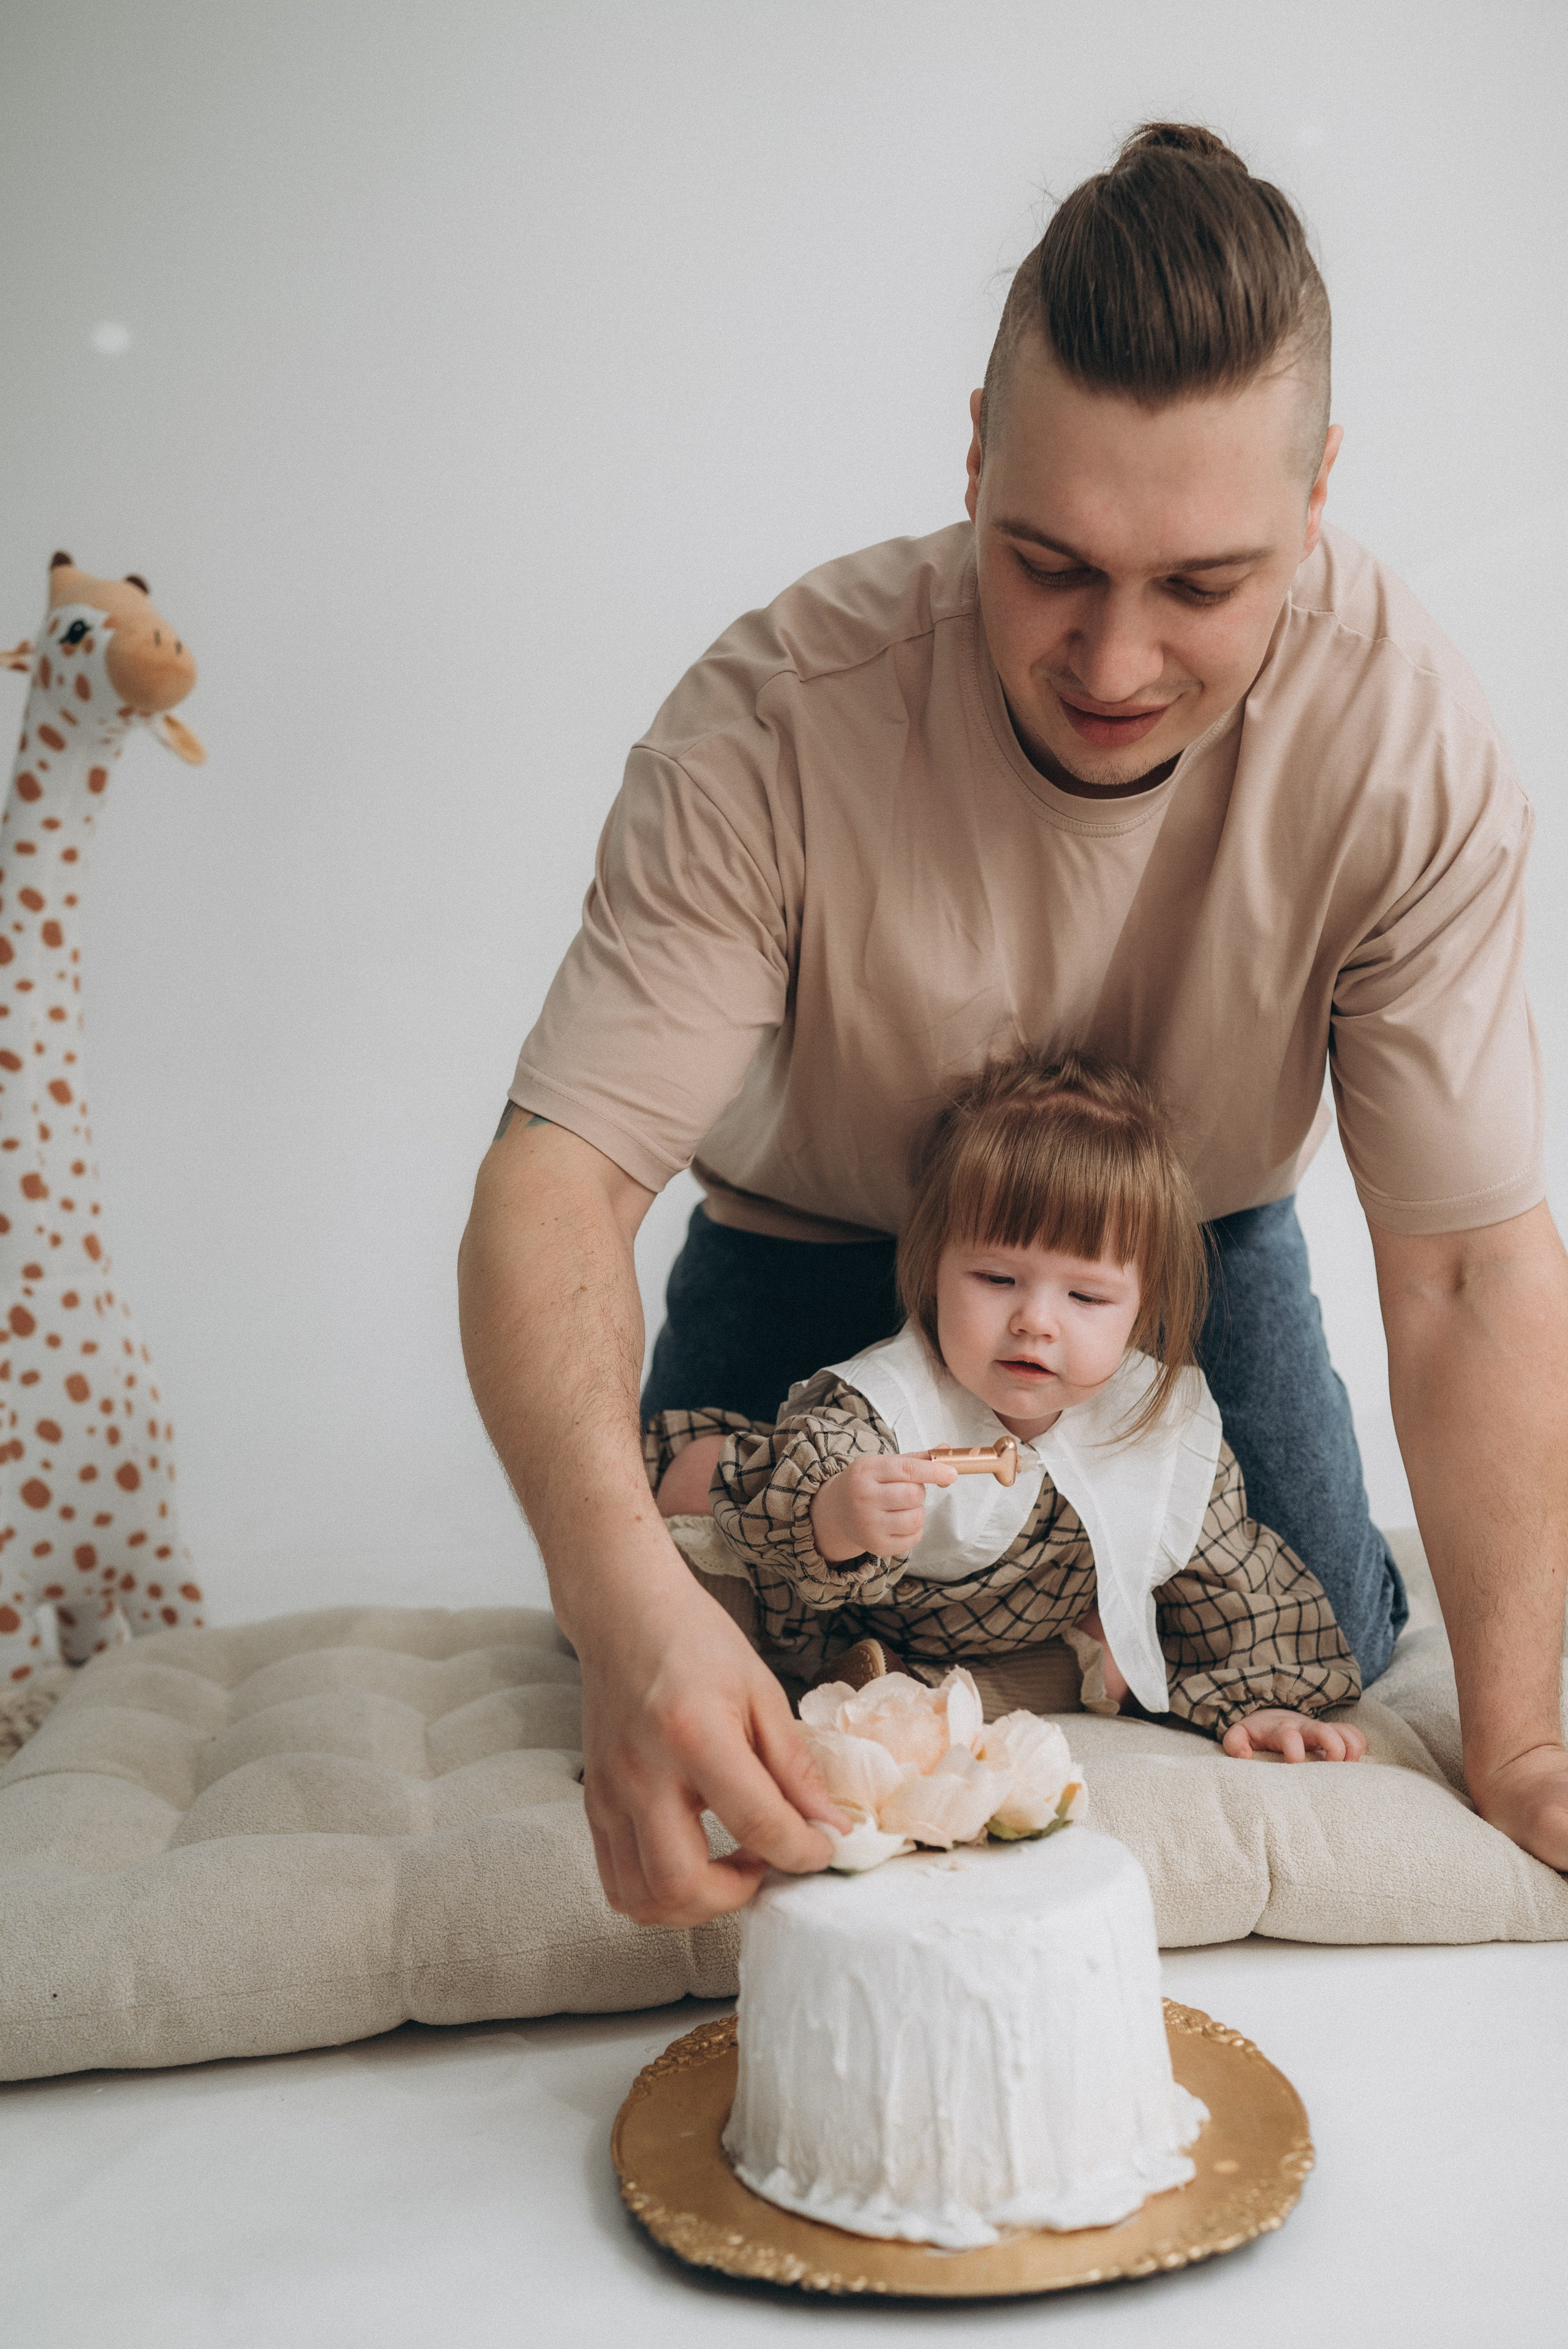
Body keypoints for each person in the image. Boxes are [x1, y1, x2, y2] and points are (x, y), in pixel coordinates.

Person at [459, 123, 1568, 1923]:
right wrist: (626, 1615)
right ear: (973, 457)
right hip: (816, 1241)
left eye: (1201, 585)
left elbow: (1463, 1266)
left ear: (1316, 499)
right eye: (1047, 560)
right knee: (728, 1596)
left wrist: (1518, 1741)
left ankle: (1064, 1635)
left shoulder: (1408, 742)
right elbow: (553, 1188)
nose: (1114, 665)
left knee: (1328, 1640)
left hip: (1187, 1245)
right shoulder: (765, 727)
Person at [650, 1052, 1367, 1766]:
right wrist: (837, 1513)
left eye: (1084, 1297)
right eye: (996, 1278)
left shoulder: (1156, 1425)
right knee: (701, 1473)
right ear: (934, 1269)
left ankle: (941, 1691)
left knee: (1131, 1641)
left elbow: (1229, 1578)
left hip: (1020, 1632)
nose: (1035, 1321)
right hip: (843, 1613)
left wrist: (1264, 1698)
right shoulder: (896, 1395)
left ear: (1141, 1306)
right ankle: (738, 1681)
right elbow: (821, 1453)